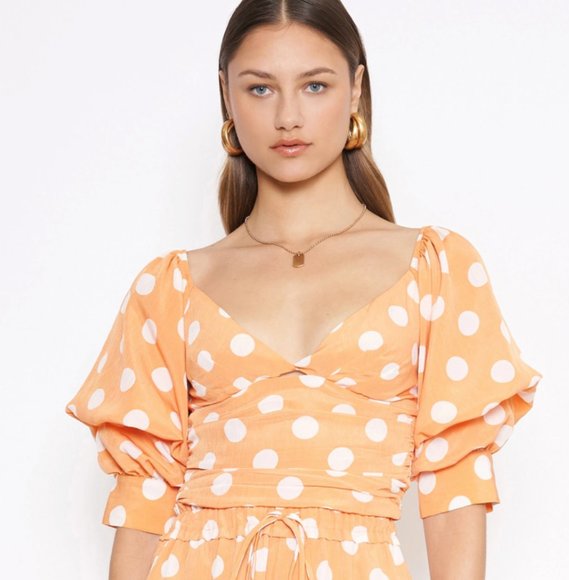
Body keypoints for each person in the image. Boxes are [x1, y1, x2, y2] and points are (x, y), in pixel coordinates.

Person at [64, 1, 543, 578]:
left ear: (355, 89)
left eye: (315, 85)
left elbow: (455, 482)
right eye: (260, 89)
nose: (288, 116)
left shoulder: (435, 266)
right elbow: (144, 497)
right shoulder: (170, 287)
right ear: (227, 96)